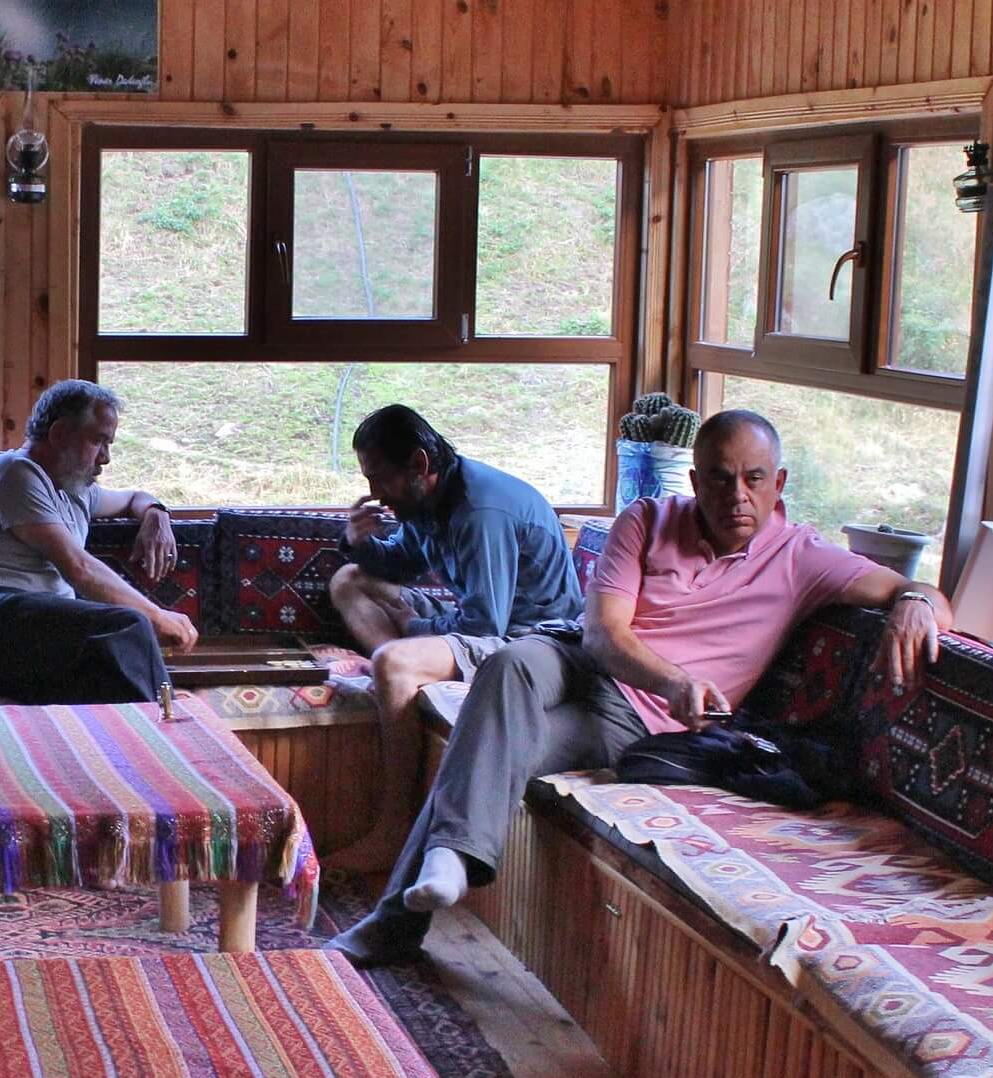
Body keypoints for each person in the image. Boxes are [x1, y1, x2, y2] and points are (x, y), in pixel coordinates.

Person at [330, 408, 953, 968]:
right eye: (718, 477)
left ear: (779, 483)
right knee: (510, 664)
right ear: (695, 479)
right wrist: (676, 678)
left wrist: (918, 601)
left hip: (634, 720)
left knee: (486, 745)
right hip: (577, 656)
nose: (736, 495)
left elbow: (916, 591)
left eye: (754, 478)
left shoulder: (802, 558)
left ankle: (401, 916)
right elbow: (601, 636)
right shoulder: (647, 519)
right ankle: (449, 860)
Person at [324, 405, 581, 870]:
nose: (375, 494)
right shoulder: (423, 501)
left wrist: (413, 627)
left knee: (392, 663)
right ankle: (404, 667)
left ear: (420, 464)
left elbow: (486, 625)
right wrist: (360, 542)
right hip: (475, 622)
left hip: (529, 643)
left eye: (380, 478)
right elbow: (401, 564)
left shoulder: (482, 510)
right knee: (348, 578)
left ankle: (394, 829)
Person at [0, 379, 200, 703]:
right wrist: (158, 616)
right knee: (128, 625)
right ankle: (171, 720)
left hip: (22, 642)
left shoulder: (77, 491)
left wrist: (155, 513)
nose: (106, 458)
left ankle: (151, 732)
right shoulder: (13, 473)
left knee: (110, 679)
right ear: (59, 433)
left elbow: (134, 497)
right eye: (98, 441)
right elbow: (79, 568)